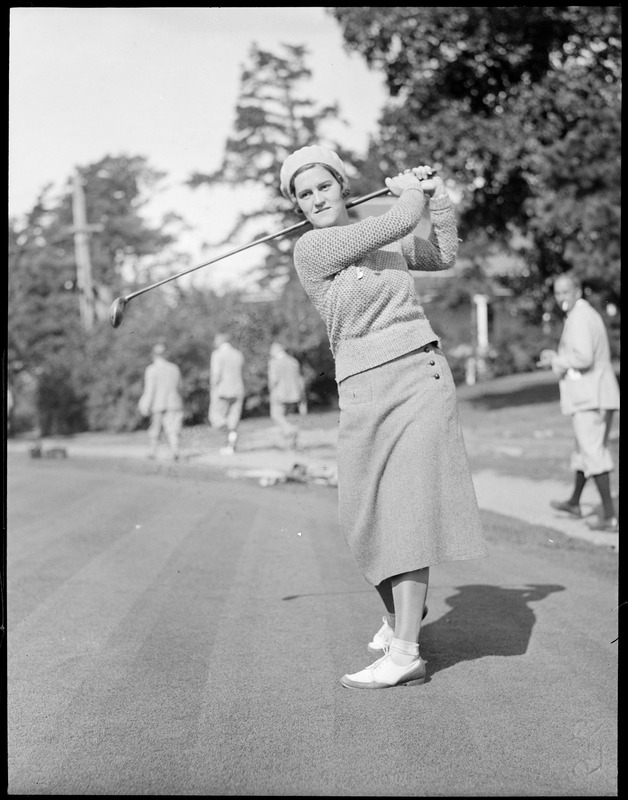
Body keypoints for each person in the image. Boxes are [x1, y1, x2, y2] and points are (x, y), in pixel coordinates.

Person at [279, 144, 488, 689]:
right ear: (298, 207)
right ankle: (402, 617)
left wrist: (437, 200)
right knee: (361, 516)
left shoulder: (384, 230)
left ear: (343, 187)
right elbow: (396, 218)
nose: (316, 198)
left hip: (418, 374)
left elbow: (442, 256)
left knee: (405, 510)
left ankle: (405, 653)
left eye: (324, 186)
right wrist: (412, 195)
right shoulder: (314, 248)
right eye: (304, 194)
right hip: (362, 389)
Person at [538, 272, 620, 532]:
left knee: (593, 452)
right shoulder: (582, 315)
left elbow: (583, 358)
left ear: (578, 291)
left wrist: (555, 361)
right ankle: (574, 503)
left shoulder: (581, 318)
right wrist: (559, 356)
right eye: (557, 292)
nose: (561, 297)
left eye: (565, 292)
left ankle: (610, 516)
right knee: (585, 451)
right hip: (594, 394)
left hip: (590, 396)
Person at [138, 342, 184, 461]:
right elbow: (180, 387)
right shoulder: (174, 368)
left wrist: (145, 405)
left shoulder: (151, 369)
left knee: (155, 429)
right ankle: (175, 451)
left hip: (158, 404)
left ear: (153, 355)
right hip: (174, 403)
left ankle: (153, 452)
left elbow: (150, 390)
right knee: (173, 429)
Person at [209, 331, 245, 455]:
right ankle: (231, 445)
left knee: (216, 418)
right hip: (238, 389)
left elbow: (216, 374)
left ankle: (230, 435)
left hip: (222, 391)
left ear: (220, 340)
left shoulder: (217, 355)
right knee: (233, 419)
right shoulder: (238, 354)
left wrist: (212, 387)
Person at [268, 341, 307, 450]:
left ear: (277, 349)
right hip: (294, 395)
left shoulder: (274, 362)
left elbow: (273, 380)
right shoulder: (293, 361)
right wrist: (302, 398)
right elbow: (300, 379)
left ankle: (290, 431)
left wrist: (271, 392)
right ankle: (292, 444)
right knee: (288, 418)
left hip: (279, 394)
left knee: (276, 416)